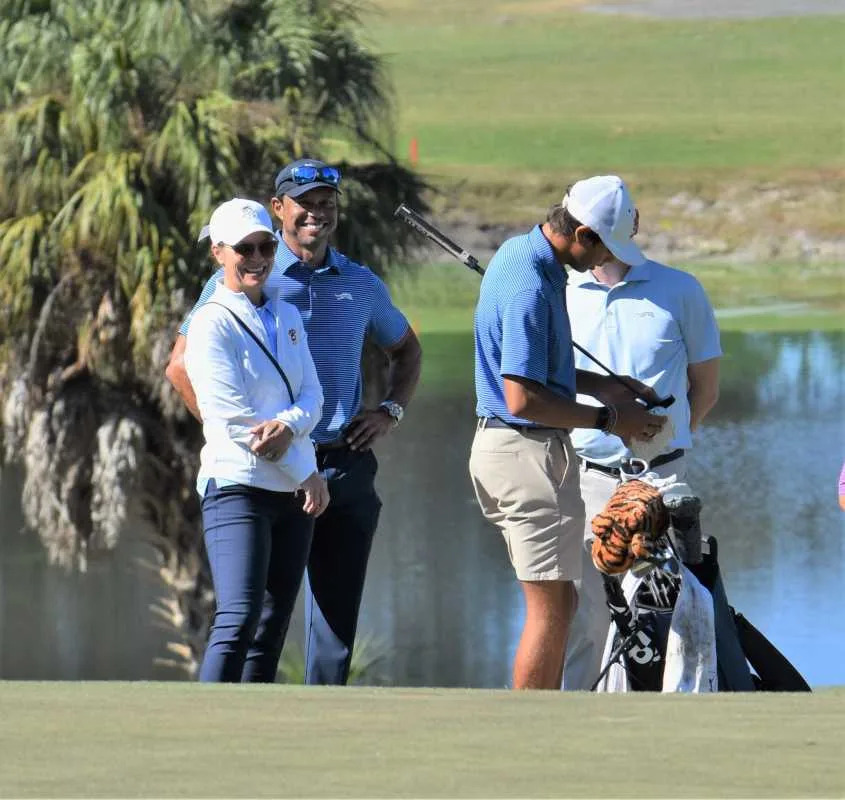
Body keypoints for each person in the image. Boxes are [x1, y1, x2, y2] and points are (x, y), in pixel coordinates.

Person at [167, 159, 422, 685]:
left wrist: (389, 411)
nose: (316, 213)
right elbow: (179, 366)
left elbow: (405, 347)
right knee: (259, 619)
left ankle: (319, 738)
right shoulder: (246, 274)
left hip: (344, 463)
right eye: (304, 203)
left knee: (335, 625)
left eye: (327, 203)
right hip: (272, 471)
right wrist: (236, 434)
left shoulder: (360, 283)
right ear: (279, 208)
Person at [468, 175, 668, 690]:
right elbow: (522, 398)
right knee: (552, 607)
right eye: (603, 248)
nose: (604, 261)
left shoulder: (528, 257)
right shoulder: (531, 281)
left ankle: (543, 725)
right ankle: (529, 736)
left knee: (564, 601)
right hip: (524, 452)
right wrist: (611, 421)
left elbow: (537, 368)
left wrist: (605, 386)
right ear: (581, 232)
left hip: (516, 450)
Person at [561, 175, 722, 691]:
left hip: (661, 481)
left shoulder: (681, 290)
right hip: (584, 477)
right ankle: (575, 732)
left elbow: (706, 389)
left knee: (661, 613)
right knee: (585, 620)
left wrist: (663, 448)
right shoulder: (560, 292)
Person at [183, 198, 329, 682]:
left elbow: (313, 394)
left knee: (270, 628)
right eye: (244, 248)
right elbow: (231, 420)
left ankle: (249, 737)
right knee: (238, 617)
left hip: (292, 496)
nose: (257, 257)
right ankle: (205, 730)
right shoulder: (210, 322)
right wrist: (306, 471)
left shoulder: (287, 315)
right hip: (238, 488)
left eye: (265, 245)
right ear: (218, 253)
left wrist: (289, 426)